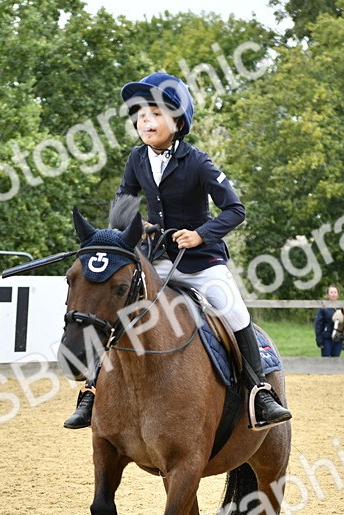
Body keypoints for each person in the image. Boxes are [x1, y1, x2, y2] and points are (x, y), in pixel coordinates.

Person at [64, 72, 292, 430]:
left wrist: (200, 235)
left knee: (234, 311)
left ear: (178, 120)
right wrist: (138, 228)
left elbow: (235, 210)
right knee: (114, 309)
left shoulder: (198, 163)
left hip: (201, 262)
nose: (144, 120)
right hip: (157, 259)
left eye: (154, 113)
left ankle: (260, 392)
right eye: (140, 115)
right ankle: (91, 392)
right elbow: (122, 207)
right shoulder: (136, 160)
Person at [314, 285, 344, 358]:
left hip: (338, 339)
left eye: (335, 292)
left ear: (338, 294)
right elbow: (318, 325)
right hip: (327, 339)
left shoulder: (342, 308)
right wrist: (319, 341)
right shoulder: (323, 308)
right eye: (331, 292)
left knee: (336, 360)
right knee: (326, 361)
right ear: (327, 294)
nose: (333, 294)